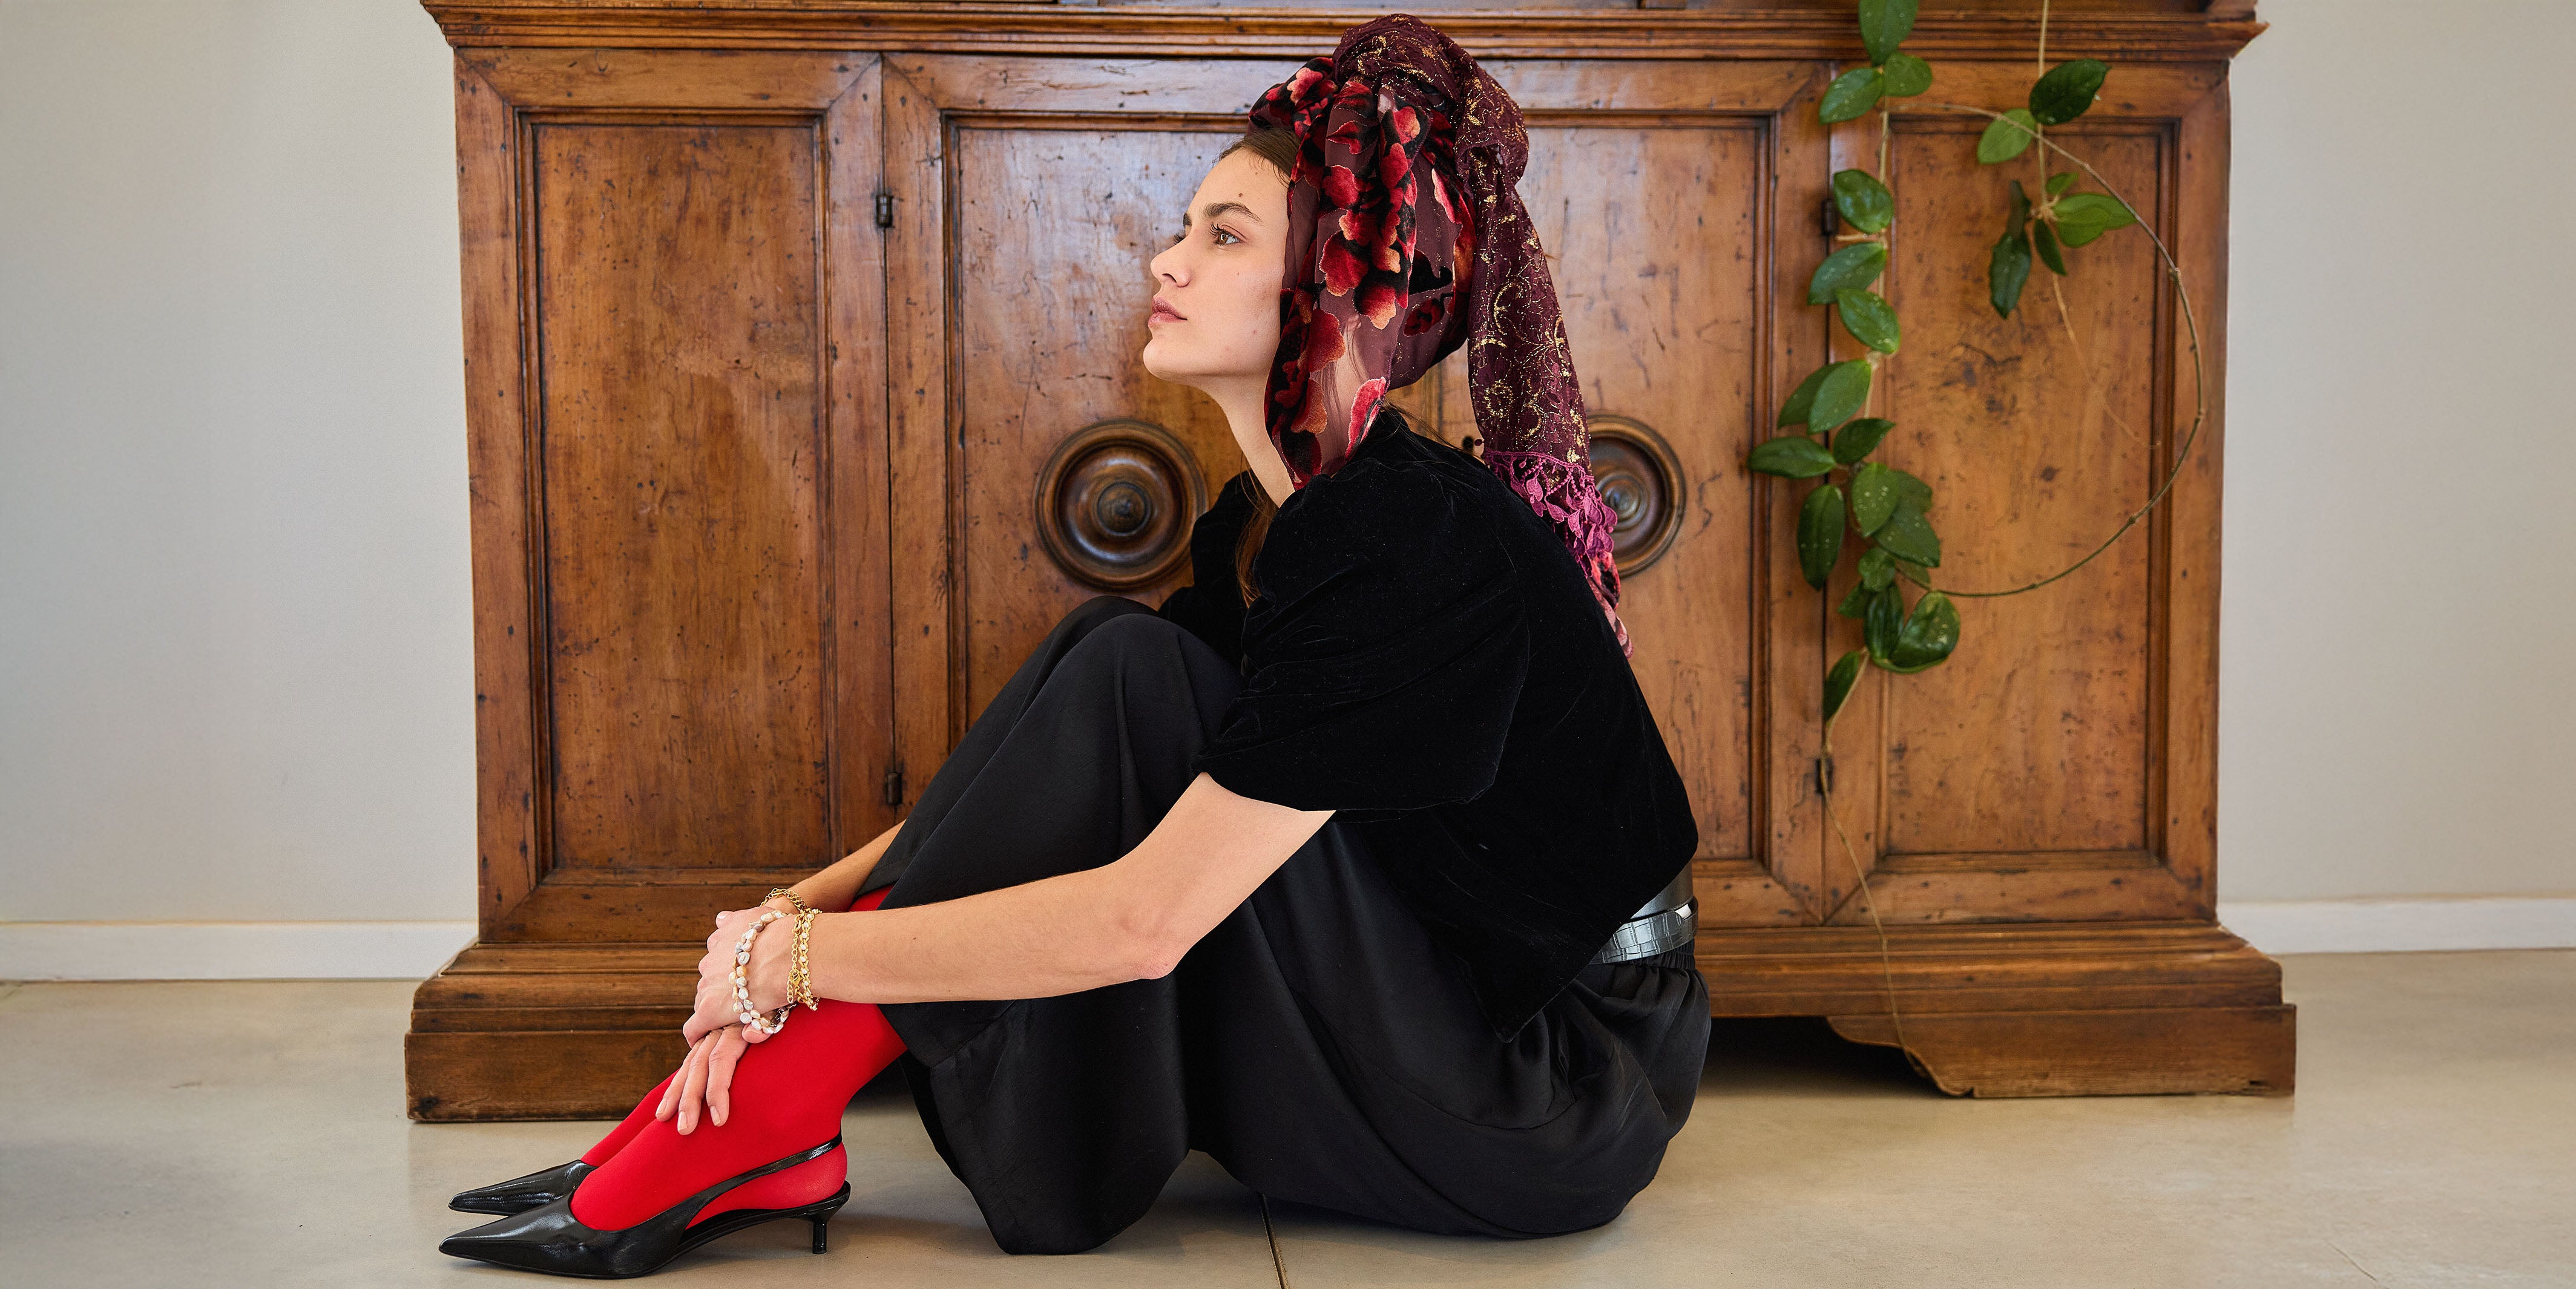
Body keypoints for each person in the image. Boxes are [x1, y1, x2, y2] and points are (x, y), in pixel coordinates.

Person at [436, 14, 1707, 1278]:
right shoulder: (1267, 520)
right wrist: (789, 912)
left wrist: (797, 968)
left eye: (1223, 235)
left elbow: (1146, 924)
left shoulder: (1409, 533)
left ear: (1335, 288)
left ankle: (763, 1116)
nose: (1167, 258)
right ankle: (752, 1121)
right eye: (1186, 228)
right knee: (1123, 656)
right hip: (1448, 997)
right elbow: (1053, 778)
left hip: (1554, 1084)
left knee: (1127, 671)